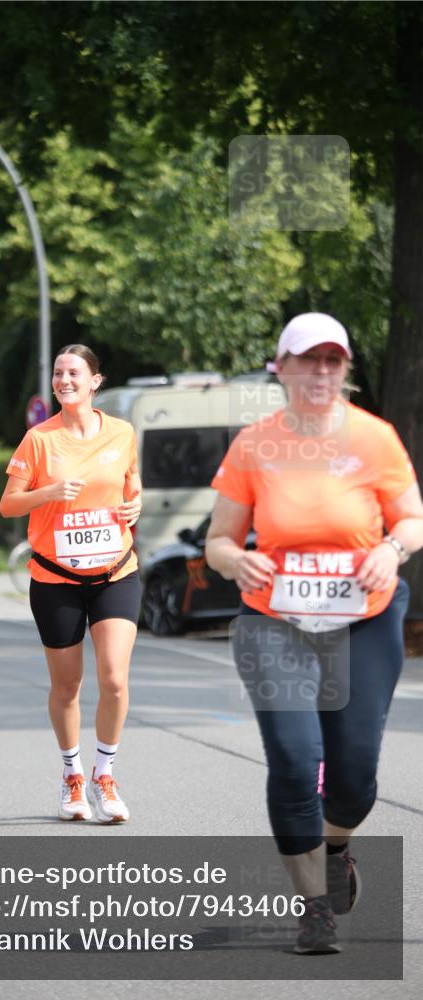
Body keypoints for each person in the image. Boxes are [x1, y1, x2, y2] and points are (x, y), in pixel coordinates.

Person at [205, 313, 423, 953]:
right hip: (276, 621)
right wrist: (234, 558)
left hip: (365, 617)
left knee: (354, 776)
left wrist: (392, 548)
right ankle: (315, 908)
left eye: (333, 360)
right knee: (297, 762)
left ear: (346, 368)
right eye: (308, 359)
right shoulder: (255, 443)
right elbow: (218, 538)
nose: (321, 371)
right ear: (283, 367)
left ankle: (337, 847)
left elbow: (413, 519)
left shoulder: (376, 438)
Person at [0, 345, 142, 823]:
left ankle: (105, 774)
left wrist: (134, 507)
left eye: (74, 372)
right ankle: (72, 777)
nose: (64, 379)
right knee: (68, 686)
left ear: (95, 381)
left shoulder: (122, 433)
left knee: (115, 679)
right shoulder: (39, 439)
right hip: (56, 577)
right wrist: (49, 492)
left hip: (114, 571)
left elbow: (131, 487)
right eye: (58, 373)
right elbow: (8, 505)